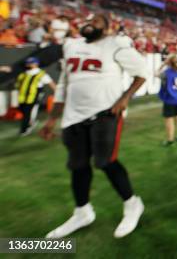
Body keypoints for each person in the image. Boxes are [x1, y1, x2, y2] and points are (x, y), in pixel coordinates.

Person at [39, 14, 147, 239]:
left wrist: (124, 98)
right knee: (77, 165)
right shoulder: (72, 45)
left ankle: (132, 203)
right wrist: (51, 119)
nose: (89, 22)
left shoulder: (115, 43)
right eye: (86, 20)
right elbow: (63, 85)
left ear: (108, 28)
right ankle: (82, 212)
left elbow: (141, 72)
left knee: (105, 161)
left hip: (105, 114)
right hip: (73, 117)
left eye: (96, 21)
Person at [15, 56, 55, 136]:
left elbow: (51, 83)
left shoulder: (41, 74)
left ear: (36, 64)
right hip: (22, 97)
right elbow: (19, 84)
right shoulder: (24, 73)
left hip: (33, 96)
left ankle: (25, 129)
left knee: (28, 113)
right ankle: (31, 123)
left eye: (31, 63)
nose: (29, 64)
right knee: (24, 111)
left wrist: (57, 92)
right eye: (28, 63)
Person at [158, 54, 177, 146]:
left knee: (169, 119)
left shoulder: (166, 72)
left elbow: (156, 74)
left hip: (169, 99)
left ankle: (170, 139)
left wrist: (163, 64)